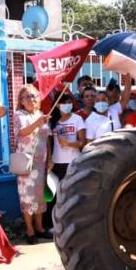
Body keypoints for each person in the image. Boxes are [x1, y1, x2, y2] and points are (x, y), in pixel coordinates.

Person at [13, 84, 52, 244]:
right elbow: (22, 132)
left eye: (34, 96)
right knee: (27, 196)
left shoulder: (41, 114)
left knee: (39, 195)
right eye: (27, 97)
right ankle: (29, 230)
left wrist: (50, 158)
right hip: (25, 162)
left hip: (40, 162)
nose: (31, 99)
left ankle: (40, 227)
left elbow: (47, 138)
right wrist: (38, 122)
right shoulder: (19, 115)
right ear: (21, 101)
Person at [50, 93, 87, 229]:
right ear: (57, 105)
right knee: (59, 195)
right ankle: (59, 224)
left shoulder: (77, 119)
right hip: (57, 162)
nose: (67, 105)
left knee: (73, 193)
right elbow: (49, 142)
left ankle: (74, 223)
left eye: (69, 102)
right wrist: (49, 160)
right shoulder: (54, 121)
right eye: (63, 102)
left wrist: (69, 144)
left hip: (73, 161)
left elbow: (82, 142)